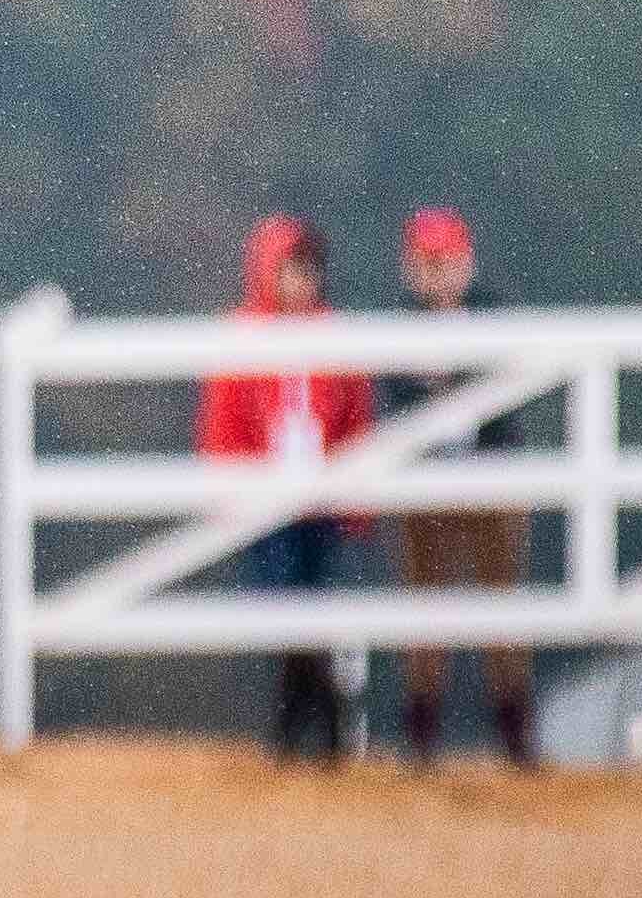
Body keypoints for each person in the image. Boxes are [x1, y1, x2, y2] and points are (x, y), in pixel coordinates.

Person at [204, 211, 374, 761]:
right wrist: (229, 491)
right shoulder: (244, 335)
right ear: (267, 273)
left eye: (308, 270)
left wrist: (355, 493)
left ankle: (304, 722)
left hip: (320, 499)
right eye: (290, 270)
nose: (302, 281)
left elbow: (355, 415)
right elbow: (223, 423)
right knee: (281, 604)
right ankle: (315, 714)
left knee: (314, 602)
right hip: (265, 500)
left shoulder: (334, 334)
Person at [384, 204, 541, 768]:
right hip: (425, 483)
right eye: (428, 262)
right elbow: (394, 400)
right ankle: (422, 738)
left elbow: (515, 391)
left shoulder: (493, 316)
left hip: (490, 476)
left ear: (466, 262)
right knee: (425, 611)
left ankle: (516, 738)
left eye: (446, 260)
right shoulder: (399, 325)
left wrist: (452, 379)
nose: (438, 272)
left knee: (502, 608)